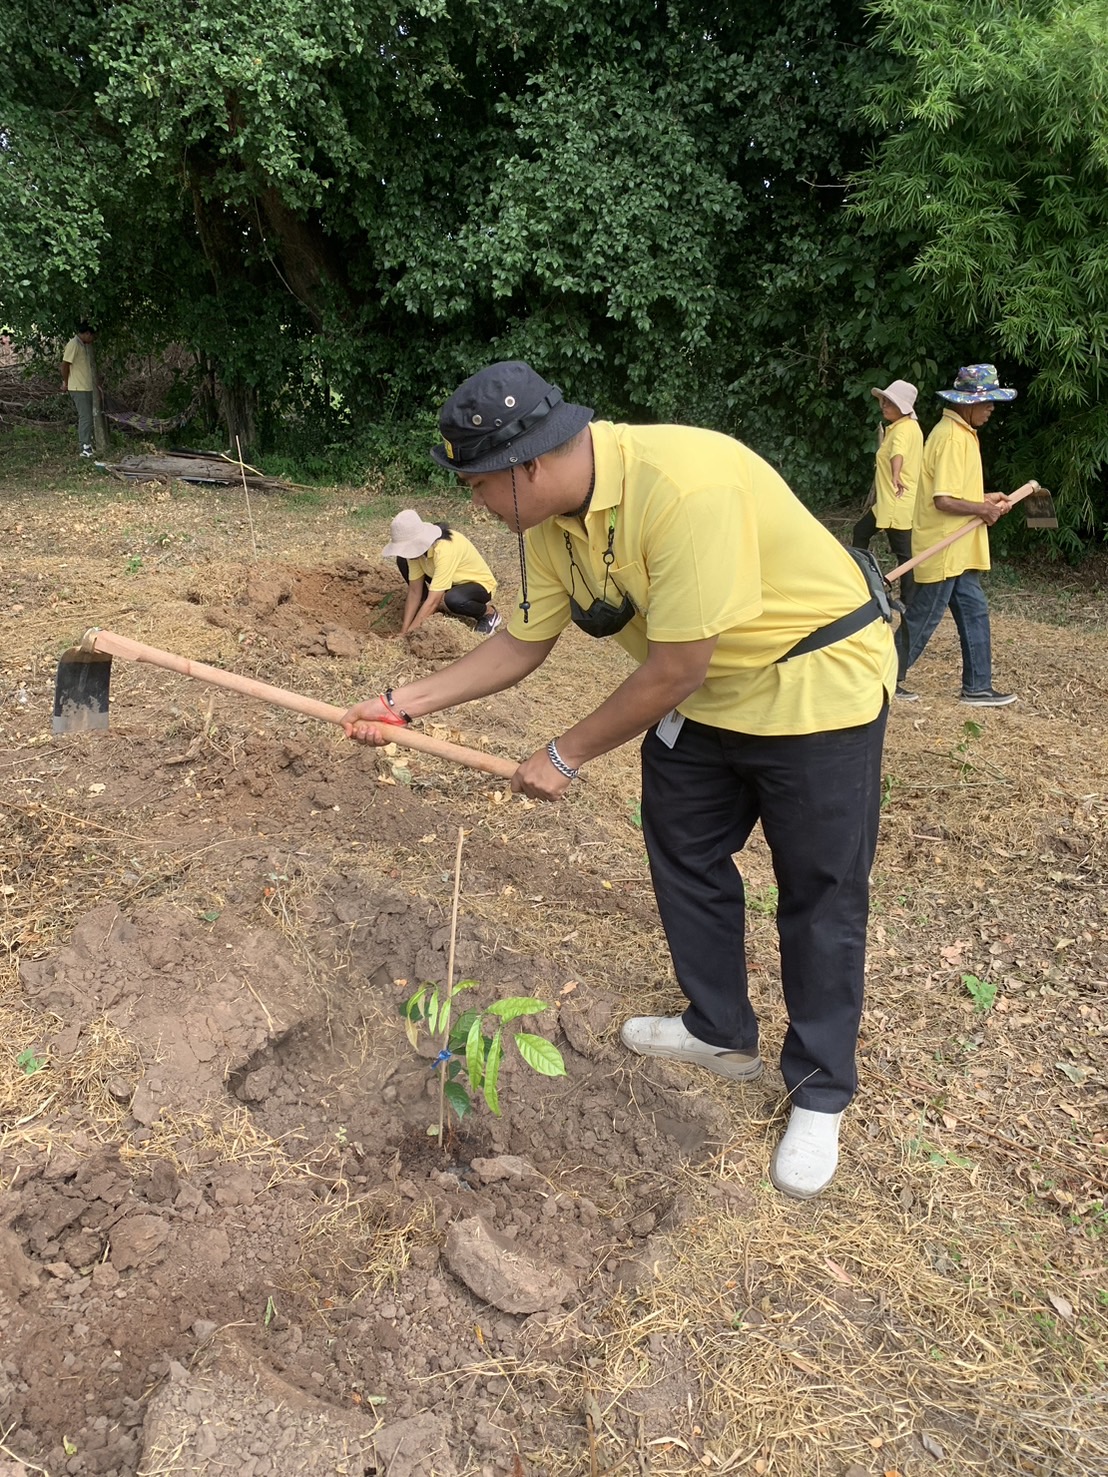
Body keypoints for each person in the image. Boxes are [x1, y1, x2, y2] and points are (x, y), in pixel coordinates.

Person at [343, 361, 896, 1199]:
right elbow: (524, 642)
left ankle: (820, 1090)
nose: (478, 506)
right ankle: (720, 1030)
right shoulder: (550, 521)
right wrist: (399, 703)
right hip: (707, 698)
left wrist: (562, 753)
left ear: (527, 463)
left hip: (812, 685)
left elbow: (676, 663)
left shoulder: (684, 486)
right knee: (680, 843)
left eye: (479, 485)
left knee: (819, 890)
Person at [895, 364, 1021, 706]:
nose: (992, 407)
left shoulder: (962, 433)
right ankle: (884, 678)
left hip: (958, 546)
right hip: (943, 546)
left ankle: (978, 687)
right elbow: (943, 500)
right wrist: (982, 510)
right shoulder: (951, 437)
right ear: (967, 403)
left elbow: (954, 490)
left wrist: (984, 498)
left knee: (974, 610)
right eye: (988, 401)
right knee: (923, 616)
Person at [851, 379, 923, 608]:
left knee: (904, 555)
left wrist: (895, 474)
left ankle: (907, 601)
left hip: (895, 502)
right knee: (861, 532)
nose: (884, 405)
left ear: (903, 407)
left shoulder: (902, 430)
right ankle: (864, 583)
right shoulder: (911, 427)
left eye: (890, 402)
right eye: (883, 401)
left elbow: (898, 453)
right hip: (890, 502)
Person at [381, 509, 501, 636]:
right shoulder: (415, 553)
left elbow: (434, 601)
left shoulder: (444, 549)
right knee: (402, 560)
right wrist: (404, 631)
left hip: (477, 585)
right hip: (449, 580)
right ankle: (426, 611)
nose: (407, 551)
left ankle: (488, 613)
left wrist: (409, 635)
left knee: (454, 599)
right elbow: (415, 591)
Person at [61, 322, 97, 457]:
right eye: (92, 336)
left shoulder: (83, 346)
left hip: (86, 387)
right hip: (78, 387)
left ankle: (88, 444)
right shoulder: (73, 344)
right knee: (86, 417)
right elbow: (65, 365)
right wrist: (66, 382)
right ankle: (84, 447)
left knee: (89, 416)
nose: (93, 339)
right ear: (87, 333)